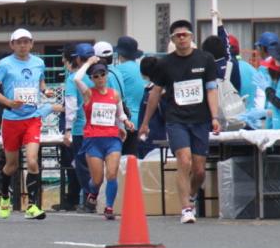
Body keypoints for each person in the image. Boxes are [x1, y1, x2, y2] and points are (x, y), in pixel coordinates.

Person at [139, 19, 221, 224]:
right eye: (178, 36)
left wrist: (215, 117)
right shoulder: (164, 63)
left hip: (200, 119)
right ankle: (186, 208)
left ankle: (191, 194)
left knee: (200, 170)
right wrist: (146, 122)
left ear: (192, 37)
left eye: (185, 35)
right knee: (184, 161)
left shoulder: (205, 59)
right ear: (173, 40)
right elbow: (155, 93)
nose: (182, 38)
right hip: (176, 119)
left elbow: (211, 89)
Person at [0, 28, 57, 220]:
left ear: (32, 44)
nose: (23, 45)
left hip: (32, 117)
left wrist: (45, 91)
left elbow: (40, 82)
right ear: (12, 44)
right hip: (11, 119)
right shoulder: (5, 64)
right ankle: (4, 198)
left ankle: (33, 206)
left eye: (26, 41)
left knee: (32, 160)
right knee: (11, 165)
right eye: (19, 42)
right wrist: (9, 103)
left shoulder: (39, 63)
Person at [71, 60, 134, 220]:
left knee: (112, 174)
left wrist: (125, 122)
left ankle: (109, 207)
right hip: (93, 140)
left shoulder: (114, 94)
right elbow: (77, 79)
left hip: (112, 138)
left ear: (107, 75)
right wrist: (88, 63)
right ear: (92, 79)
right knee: (97, 179)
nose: (100, 78)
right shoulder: (89, 93)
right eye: (96, 76)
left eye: (103, 74)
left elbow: (120, 113)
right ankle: (93, 192)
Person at [56, 42, 95, 212]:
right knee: (96, 163)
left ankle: (89, 198)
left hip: (80, 127)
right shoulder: (98, 75)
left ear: (76, 59)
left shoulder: (73, 79)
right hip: (98, 126)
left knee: (82, 165)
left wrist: (68, 129)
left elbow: (71, 105)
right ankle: (98, 198)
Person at [108, 36, 146, 157]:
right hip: (142, 119)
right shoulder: (141, 68)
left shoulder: (117, 71)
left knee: (120, 160)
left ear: (119, 54)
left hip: (125, 121)